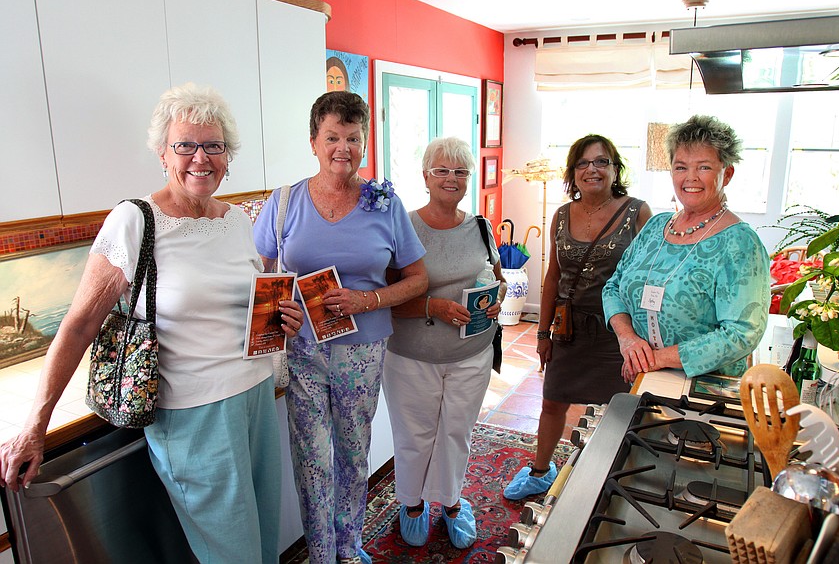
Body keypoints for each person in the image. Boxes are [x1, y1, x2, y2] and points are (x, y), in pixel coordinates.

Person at [0, 82, 304, 564]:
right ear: (162, 153)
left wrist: (278, 319)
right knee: (233, 555)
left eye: (213, 146)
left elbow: (238, 304)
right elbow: (78, 324)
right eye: (185, 145)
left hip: (256, 395)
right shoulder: (135, 220)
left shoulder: (237, 220)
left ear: (228, 156)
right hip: (194, 413)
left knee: (264, 542)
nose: (200, 158)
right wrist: (34, 425)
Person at [253, 90, 428, 564]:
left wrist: (366, 298)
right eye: (332, 137)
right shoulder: (284, 202)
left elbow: (418, 279)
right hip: (303, 353)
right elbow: (263, 275)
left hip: (363, 352)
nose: (342, 149)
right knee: (311, 459)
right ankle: (321, 554)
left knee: (353, 453)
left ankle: (349, 546)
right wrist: (279, 315)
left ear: (365, 143)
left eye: (353, 138)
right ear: (313, 141)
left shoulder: (384, 205)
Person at [504, 134, 651, 500]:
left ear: (615, 168)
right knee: (553, 400)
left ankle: (608, 479)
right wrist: (542, 333)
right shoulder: (561, 215)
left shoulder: (637, 212)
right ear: (573, 172)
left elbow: (649, 275)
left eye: (601, 161)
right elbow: (553, 275)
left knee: (617, 409)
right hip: (567, 327)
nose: (592, 169)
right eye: (583, 163)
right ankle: (540, 471)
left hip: (617, 331)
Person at [382, 137, 507, 549]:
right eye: (442, 170)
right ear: (425, 177)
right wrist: (432, 305)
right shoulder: (402, 228)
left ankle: (451, 502)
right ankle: (412, 504)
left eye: (460, 171)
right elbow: (383, 301)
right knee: (414, 434)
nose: (451, 179)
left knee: (457, 431)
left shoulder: (481, 227)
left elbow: (499, 280)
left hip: (471, 353)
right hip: (411, 356)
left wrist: (497, 299)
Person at [602, 114, 770, 383]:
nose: (690, 177)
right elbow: (613, 287)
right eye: (680, 167)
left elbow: (742, 333)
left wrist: (656, 359)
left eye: (703, 167)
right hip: (643, 378)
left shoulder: (740, 243)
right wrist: (628, 340)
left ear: (727, 174)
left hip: (702, 390)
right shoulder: (656, 226)